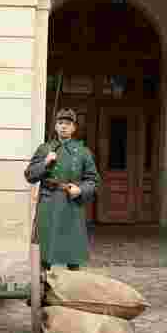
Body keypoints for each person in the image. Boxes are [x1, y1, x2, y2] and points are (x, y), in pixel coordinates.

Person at [25, 108, 101, 272]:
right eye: (60, 123)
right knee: (45, 251)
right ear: (55, 126)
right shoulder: (45, 149)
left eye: (68, 124)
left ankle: (73, 291)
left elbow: (93, 180)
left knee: (72, 253)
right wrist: (45, 163)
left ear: (74, 128)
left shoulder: (82, 151)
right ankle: (41, 289)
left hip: (71, 205)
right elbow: (30, 175)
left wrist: (80, 189)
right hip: (48, 204)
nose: (64, 127)